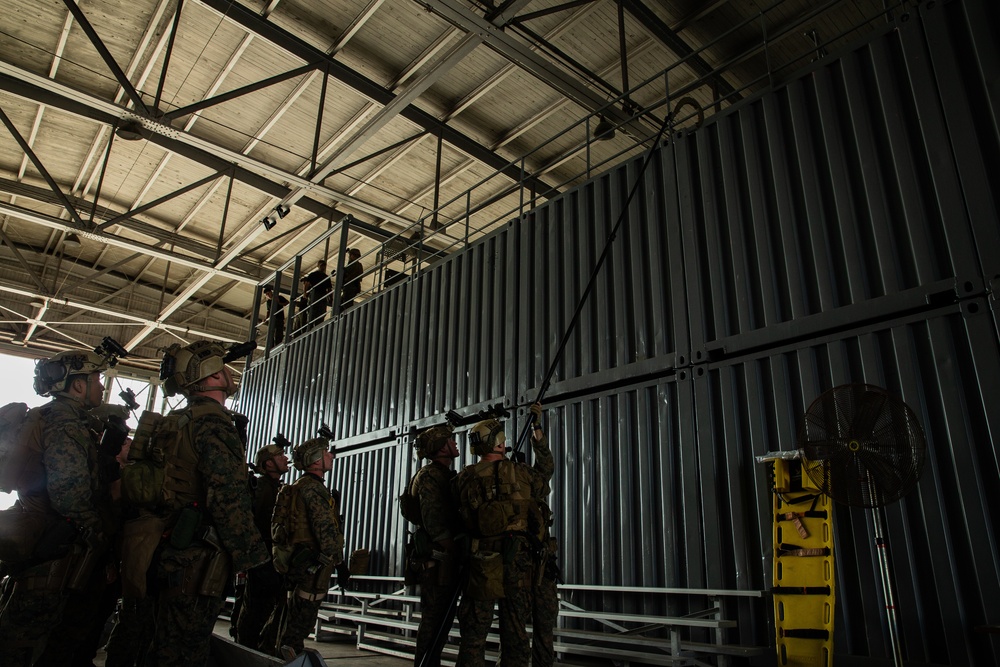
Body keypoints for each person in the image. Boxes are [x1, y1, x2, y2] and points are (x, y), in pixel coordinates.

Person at [141, 340, 270, 666]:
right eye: (222, 367)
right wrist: (256, 563)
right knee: (185, 653)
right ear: (210, 375)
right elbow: (228, 499)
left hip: (168, 552)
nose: (228, 371)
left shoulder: (177, 422)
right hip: (196, 561)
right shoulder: (212, 423)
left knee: (163, 646)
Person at [0, 350, 112, 667]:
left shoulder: (46, 415)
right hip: (55, 547)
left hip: (38, 535)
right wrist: (99, 533)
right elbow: (69, 493)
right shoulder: (67, 425)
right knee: (27, 641)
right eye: (96, 380)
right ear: (78, 386)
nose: (100, 387)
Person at [452, 405, 552, 667]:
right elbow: (545, 474)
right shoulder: (521, 473)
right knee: (516, 632)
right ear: (498, 442)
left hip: (480, 562)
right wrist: (537, 431)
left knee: (474, 634)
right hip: (517, 562)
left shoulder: (464, 478)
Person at [260, 437, 345, 658]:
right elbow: (326, 532)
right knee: (297, 629)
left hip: (298, 563)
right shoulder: (313, 490)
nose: (331, 456)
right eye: (326, 453)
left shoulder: (299, 487)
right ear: (316, 461)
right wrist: (340, 561)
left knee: (287, 618)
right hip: (312, 568)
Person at [403, 425, 462, 667]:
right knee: (434, 620)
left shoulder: (444, 474)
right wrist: (458, 553)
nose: (455, 443)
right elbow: (435, 525)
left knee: (442, 620)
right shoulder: (429, 476)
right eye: (450, 440)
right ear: (441, 447)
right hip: (438, 560)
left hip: (444, 559)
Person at [233, 440, 289, 648]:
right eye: (279, 456)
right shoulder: (262, 488)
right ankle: (246, 648)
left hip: (272, 558)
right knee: (255, 609)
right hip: (263, 557)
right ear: (267, 464)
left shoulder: (277, 488)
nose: (285, 458)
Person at [527, 406, 558, 667]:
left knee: (545, 626)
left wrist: (536, 427)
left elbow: (546, 465)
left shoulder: (531, 483)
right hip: (518, 568)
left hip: (542, 566)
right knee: (513, 634)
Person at [304, 260, 331, 328]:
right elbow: (306, 284)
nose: (323, 267)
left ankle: (317, 328)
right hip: (314, 294)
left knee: (320, 314)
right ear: (318, 266)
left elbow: (329, 289)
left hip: (322, 295)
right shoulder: (313, 275)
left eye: (324, 266)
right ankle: (310, 327)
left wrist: (330, 297)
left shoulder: (326, 277)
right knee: (312, 312)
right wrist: (305, 293)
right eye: (322, 265)